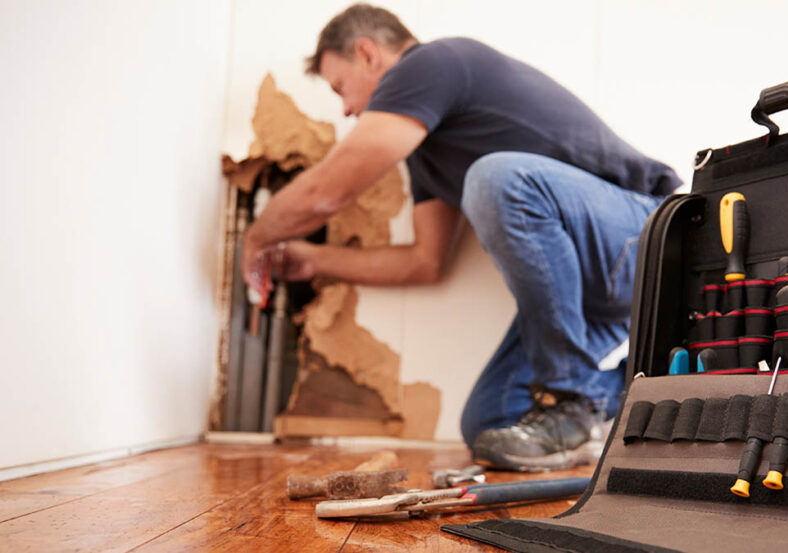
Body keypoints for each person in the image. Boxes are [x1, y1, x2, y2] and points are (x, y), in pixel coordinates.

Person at [243, 4, 681, 471]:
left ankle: (570, 402)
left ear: (368, 53)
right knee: (491, 421)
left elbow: (331, 190)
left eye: (341, 88)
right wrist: (313, 260)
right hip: (588, 295)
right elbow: (425, 261)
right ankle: (658, 395)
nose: (348, 110)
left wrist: (257, 236)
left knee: (495, 178)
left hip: (644, 238)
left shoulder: (433, 64)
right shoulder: (425, 155)